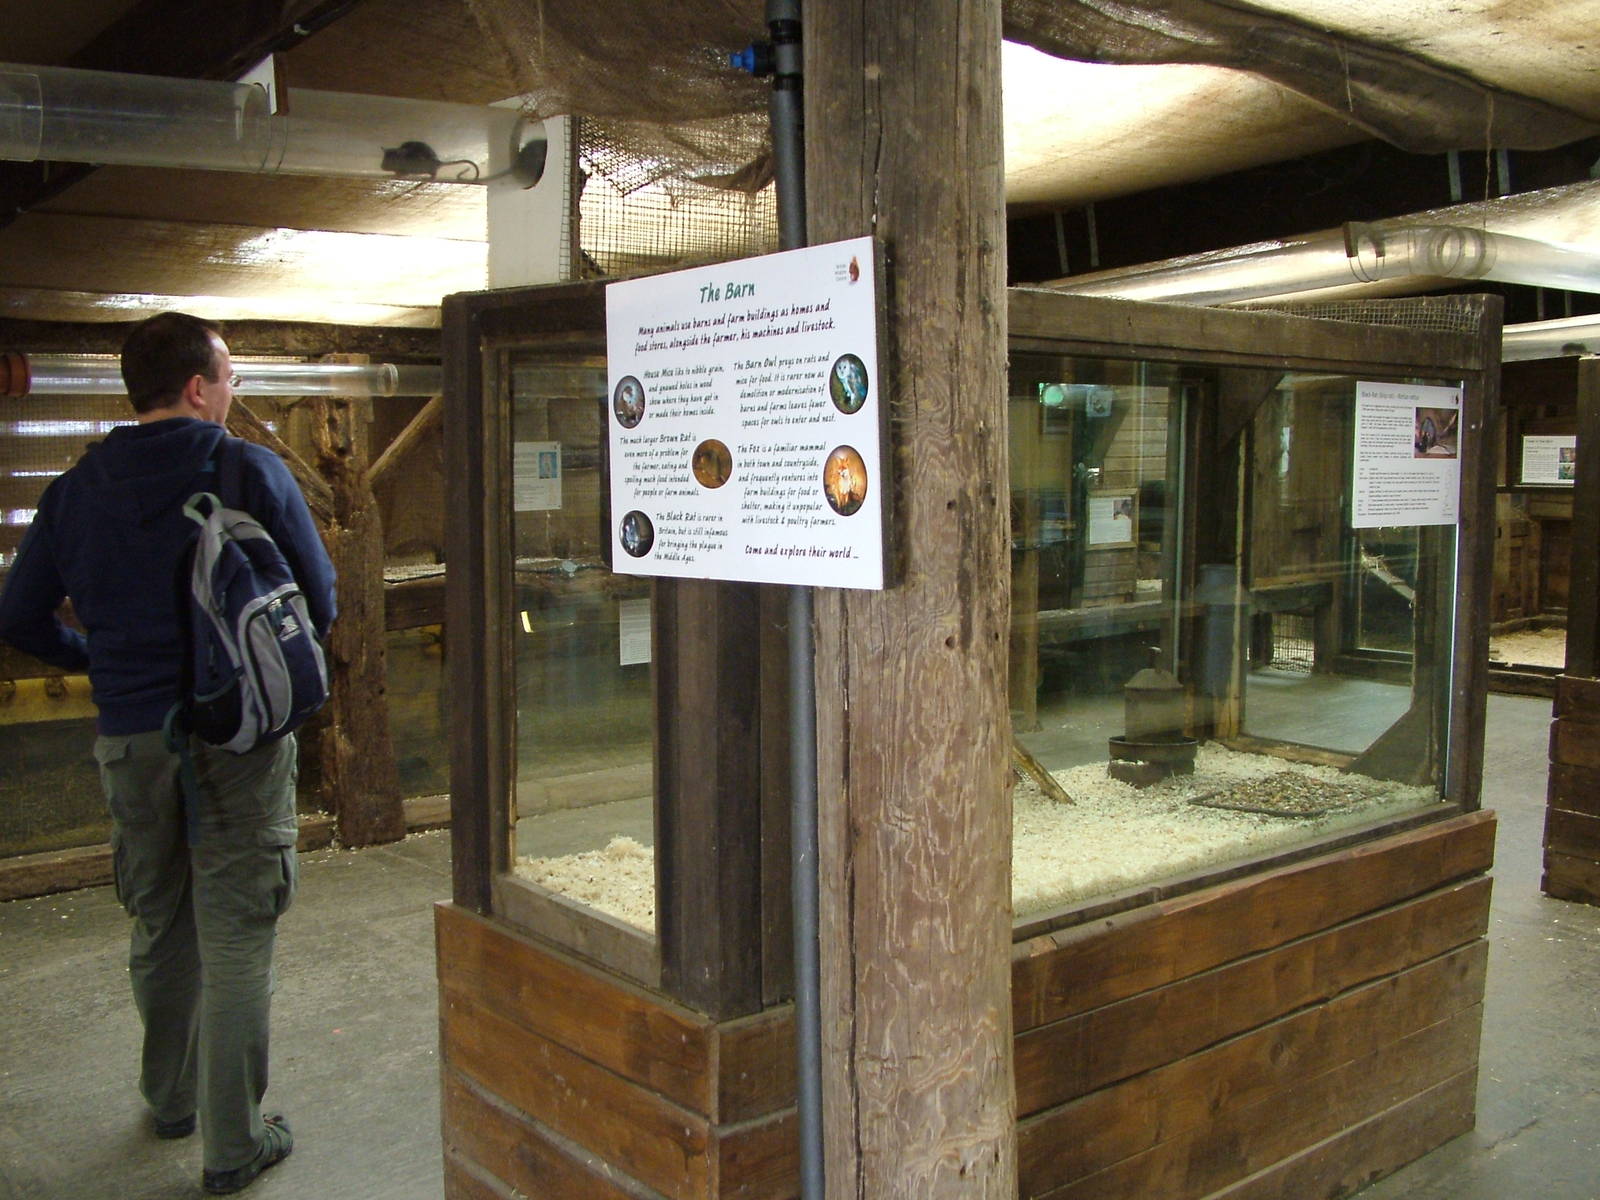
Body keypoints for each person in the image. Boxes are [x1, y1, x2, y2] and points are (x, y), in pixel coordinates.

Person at [0, 312, 336, 1194]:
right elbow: (322, 600)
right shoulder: (246, 469)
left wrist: (97, 661)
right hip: (240, 739)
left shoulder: (74, 490)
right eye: (227, 379)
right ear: (197, 387)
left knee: (158, 919)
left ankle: (170, 1099)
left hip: (132, 737)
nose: (231, 394)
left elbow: (17, 614)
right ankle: (234, 1144)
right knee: (236, 932)